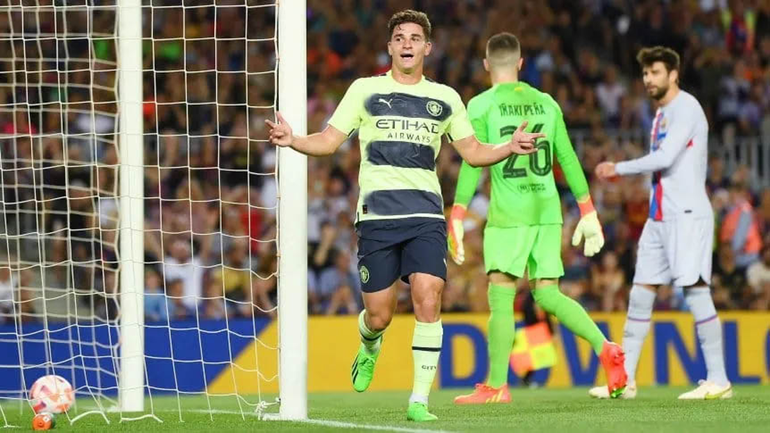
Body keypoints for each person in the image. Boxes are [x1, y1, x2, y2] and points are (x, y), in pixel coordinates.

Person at [265, 10, 543, 422]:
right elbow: (328, 141)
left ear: (428, 48)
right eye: (400, 37)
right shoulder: (365, 90)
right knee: (380, 314)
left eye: (415, 37)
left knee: (429, 295)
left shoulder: (446, 98)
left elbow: (472, 151)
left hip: (426, 215)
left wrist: (507, 146)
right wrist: (293, 141)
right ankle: (369, 343)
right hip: (377, 218)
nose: (407, 44)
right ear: (390, 46)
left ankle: (419, 401)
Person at [448, 33, 627, 405]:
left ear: (486, 65)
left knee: (501, 295)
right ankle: (605, 346)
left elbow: (473, 160)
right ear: (520, 63)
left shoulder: (480, 105)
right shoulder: (546, 103)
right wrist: (587, 210)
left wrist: (459, 211)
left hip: (510, 213)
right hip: (547, 211)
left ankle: (496, 385)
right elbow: (568, 158)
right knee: (547, 293)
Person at [592, 46, 732, 400]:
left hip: (685, 215)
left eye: (655, 72)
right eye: (644, 74)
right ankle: (625, 381)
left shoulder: (687, 107)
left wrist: (618, 168)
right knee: (640, 295)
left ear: (673, 74)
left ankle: (719, 379)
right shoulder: (661, 114)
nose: (648, 79)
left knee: (696, 291)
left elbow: (666, 158)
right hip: (659, 216)